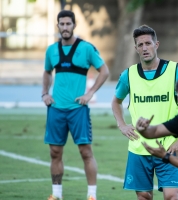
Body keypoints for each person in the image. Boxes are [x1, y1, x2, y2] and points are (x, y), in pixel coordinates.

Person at [111, 25, 178, 200]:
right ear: (136, 48)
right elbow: (116, 101)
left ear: (156, 44)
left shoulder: (174, 71)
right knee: (144, 196)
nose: (145, 48)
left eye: (148, 43)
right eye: (140, 44)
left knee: (172, 196)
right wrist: (121, 125)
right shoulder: (128, 75)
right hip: (139, 148)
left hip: (168, 147)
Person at [42, 10, 109, 200]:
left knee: (86, 152)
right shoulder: (51, 50)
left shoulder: (87, 48)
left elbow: (104, 71)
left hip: (78, 110)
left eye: (68, 24)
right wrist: (45, 93)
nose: (65, 27)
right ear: (58, 26)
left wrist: (90, 93)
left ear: (74, 25)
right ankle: (56, 195)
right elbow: (47, 72)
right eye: (61, 24)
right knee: (55, 152)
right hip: (56, 109)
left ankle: (91, 195)